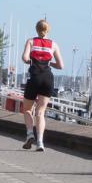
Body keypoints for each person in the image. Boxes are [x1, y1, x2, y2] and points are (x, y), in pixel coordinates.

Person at [21, 19, 64, 151]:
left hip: (35, 78)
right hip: (47, 78)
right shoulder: (54, 45)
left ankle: (29, 134)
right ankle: (40, 142)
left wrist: (33, 61)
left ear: (36, 29)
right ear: (48, 30)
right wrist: (48, 63)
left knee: (27, 109)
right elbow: (61, 66)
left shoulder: (31, 41)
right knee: (40, 112)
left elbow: (25, 58)